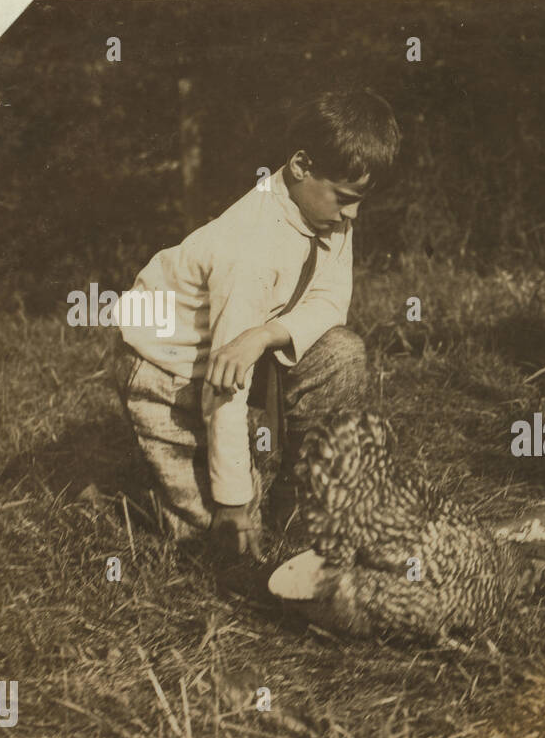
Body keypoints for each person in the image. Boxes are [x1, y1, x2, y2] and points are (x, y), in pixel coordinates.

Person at [110, 90, 400, 556]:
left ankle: (299, 498)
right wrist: (232, 502)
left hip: (242, 348)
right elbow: (224, 387)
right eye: (345, 198)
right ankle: (127, 487)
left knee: (342, 352)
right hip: (168, 370)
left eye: (360, 200)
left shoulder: (330, 214)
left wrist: (264, 335)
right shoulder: (246, 251)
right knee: (216, 539)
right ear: (302, 164)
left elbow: (330, 304)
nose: (352, 214)